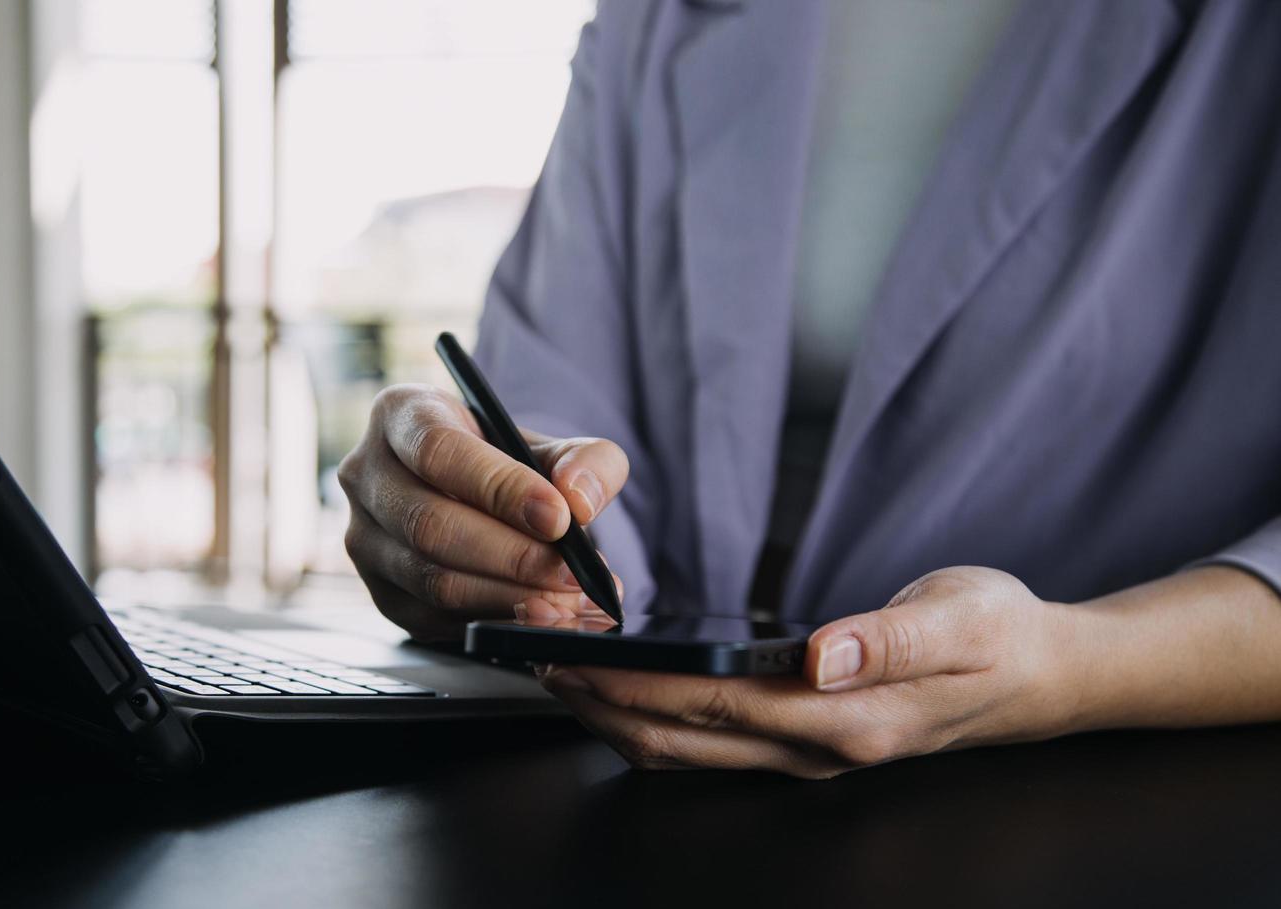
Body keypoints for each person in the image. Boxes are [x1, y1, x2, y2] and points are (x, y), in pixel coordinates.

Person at [338, 0, 1281, 776]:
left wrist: (1077, 665)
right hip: (624, 783)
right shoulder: (656, 18)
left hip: (1124, 805)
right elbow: (556, 386)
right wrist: (502, 534)